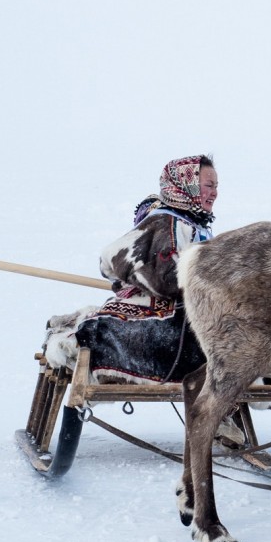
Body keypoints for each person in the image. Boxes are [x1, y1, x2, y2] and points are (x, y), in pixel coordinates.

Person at [74, 154, 217, 384]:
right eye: (208, 185)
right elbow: (165, 278)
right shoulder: (168, 222)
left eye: (216, 186)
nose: (214, 193)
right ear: (186, 185)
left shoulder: (190, 224)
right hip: (167, 333)